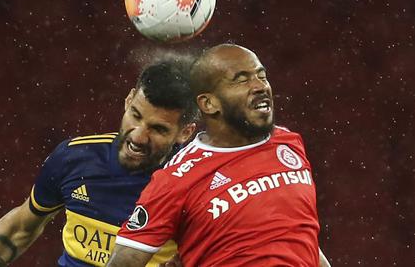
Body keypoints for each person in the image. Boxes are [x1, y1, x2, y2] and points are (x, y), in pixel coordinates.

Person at [107, 44, 332, 267]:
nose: (259, 86)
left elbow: (304, 238)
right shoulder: (176, 179)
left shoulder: (288, 143)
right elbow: (123, 262)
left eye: (261, 76)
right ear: (209, 103)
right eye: (241, 79)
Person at [0, 58, 197, 267]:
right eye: (135, 115)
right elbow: (19, 229)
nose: (137, 136)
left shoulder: (195, 187)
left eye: (157, 129)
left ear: (185, 133)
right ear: (127, 100)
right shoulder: (75, 158)